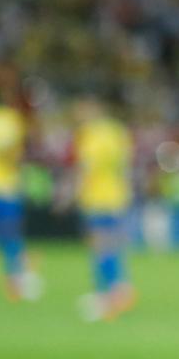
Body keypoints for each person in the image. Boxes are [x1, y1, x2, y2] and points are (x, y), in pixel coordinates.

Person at [70, 96, 136, 321]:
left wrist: (74, 193)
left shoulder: (89, 134)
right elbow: (125, 164)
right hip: (118, 196)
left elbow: (86, 168)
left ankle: (104, 295)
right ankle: (120, 289)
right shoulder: (118, 132)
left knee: (99, 247)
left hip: (97, 198)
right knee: (113, 246)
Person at [0, 67, 43, 303]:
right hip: (4, 189)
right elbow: (8, 152)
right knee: (10, 238)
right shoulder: (13, 121)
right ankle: (15, 284)